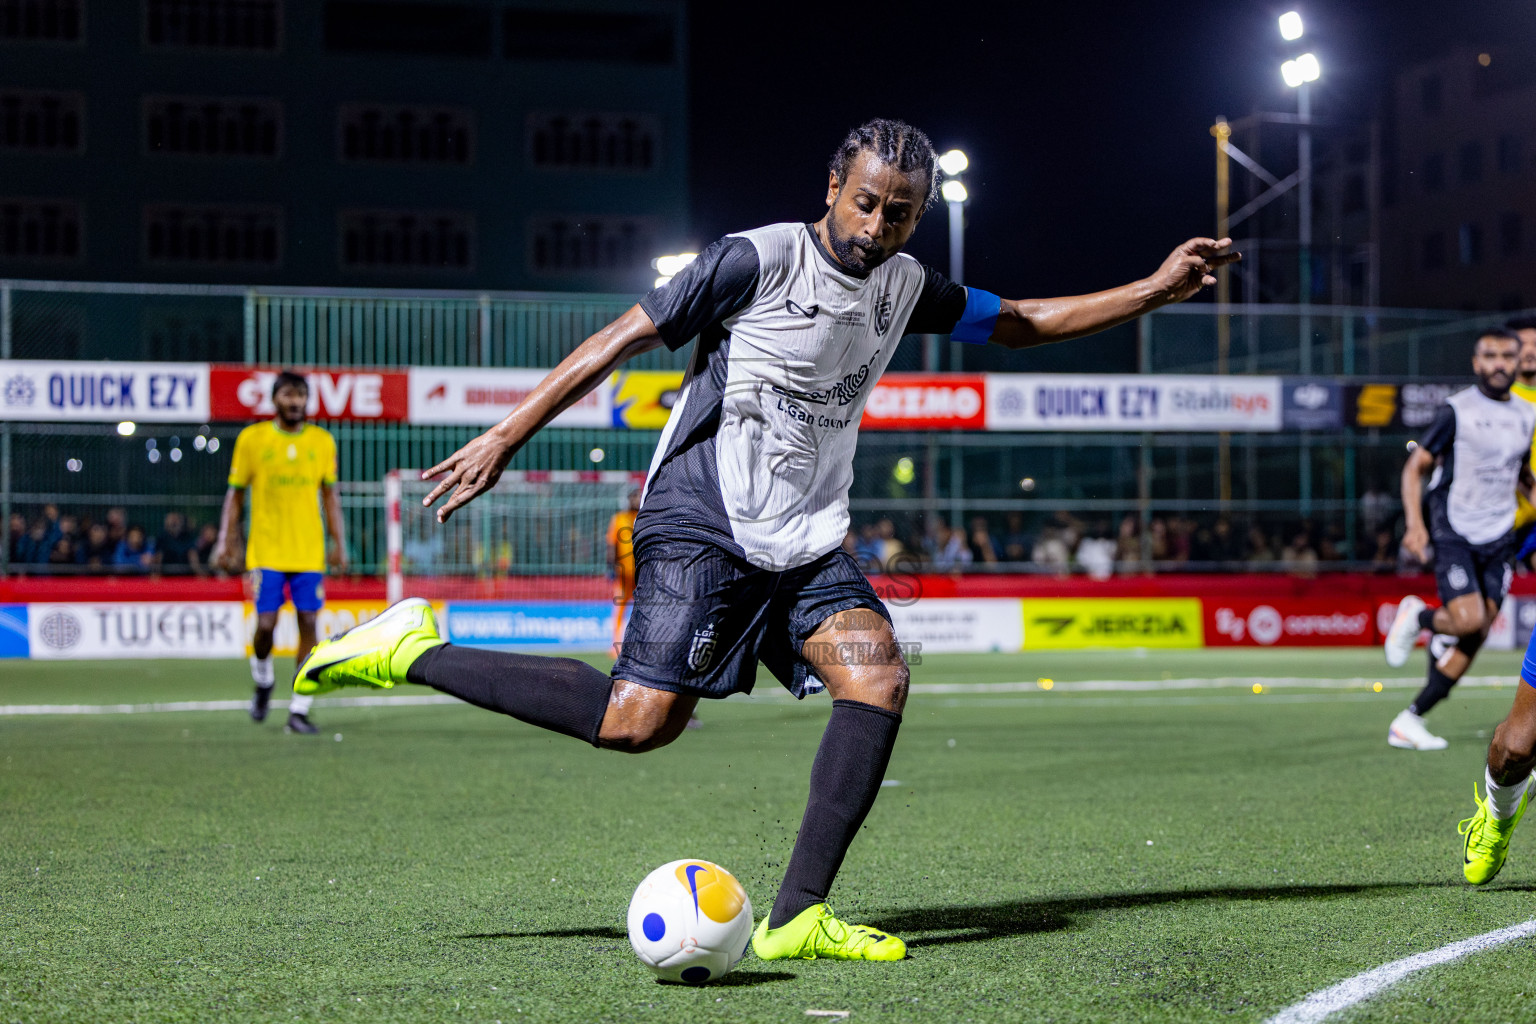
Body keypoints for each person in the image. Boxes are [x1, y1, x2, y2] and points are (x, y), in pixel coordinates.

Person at [291, 119, 1236, 961]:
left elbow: (1023, 321)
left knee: (877, 673)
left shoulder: (905, 284)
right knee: (636, 723)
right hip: (702, 517)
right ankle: (409, 647)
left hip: (807, 539)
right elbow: (622, 336)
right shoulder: (756, 259)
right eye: (867, 203)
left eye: (900, 215)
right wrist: (504, 435)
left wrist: (1154, 289)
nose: (878, 228)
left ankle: (797, 916)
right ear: (834, 188)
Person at [1383, 329, 1535, 751]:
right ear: (1476, 363)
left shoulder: (1526, 414)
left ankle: (1410, 719)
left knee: (1477, 634)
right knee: (1469, 620)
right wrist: (1415, 525)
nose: (1500, 363)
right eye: (1490, 355)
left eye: (1507, 355)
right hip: (1454, 526)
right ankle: (1418, 617)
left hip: (1499, 533)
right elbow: (1415, 469)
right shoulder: (1457, 410)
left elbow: (1521, 474)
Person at [212, 371, 349, 735]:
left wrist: (339, 543)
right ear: (274, 400)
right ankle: (263, 679)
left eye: (301, 395)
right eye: (288, 395)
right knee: (267, 626)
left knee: (309, 625)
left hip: (308, 552)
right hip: (266, 550)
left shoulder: (322, 441)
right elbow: (235, 493)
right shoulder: (252, 439)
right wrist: (226, 539)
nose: (295, 402)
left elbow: (330, 496)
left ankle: (299, 709)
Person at [606, 486, 641, 657]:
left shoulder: (644, 518)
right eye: (634, 497)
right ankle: (616, 644)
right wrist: (610, 566)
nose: (637, 500)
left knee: (643, 608)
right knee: (619, 608)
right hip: (623, 574)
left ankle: (639, 642)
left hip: (641, 574)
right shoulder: (619, 519)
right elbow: (612, 544)